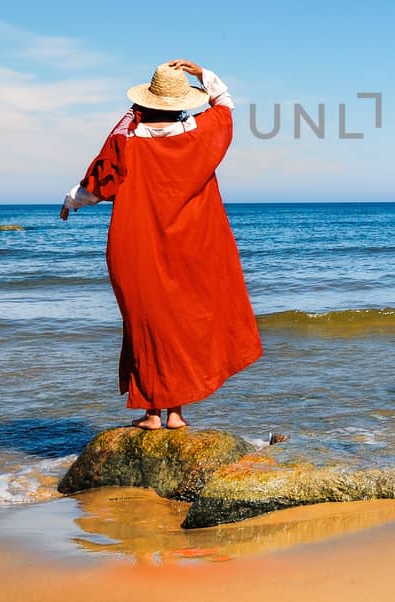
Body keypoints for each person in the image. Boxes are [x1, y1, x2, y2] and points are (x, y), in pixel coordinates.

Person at [60, 59, 261, 430]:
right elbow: (226, 106)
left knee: (146, 325)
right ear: (182, 102)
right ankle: (175, 415)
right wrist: (202, 74)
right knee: (180, 323)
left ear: (144, 104)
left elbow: (97, 185)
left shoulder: (126, 141)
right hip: (191, 246)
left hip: (135, 247)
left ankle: (153, 413)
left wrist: (71, 202)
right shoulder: (201, 134)